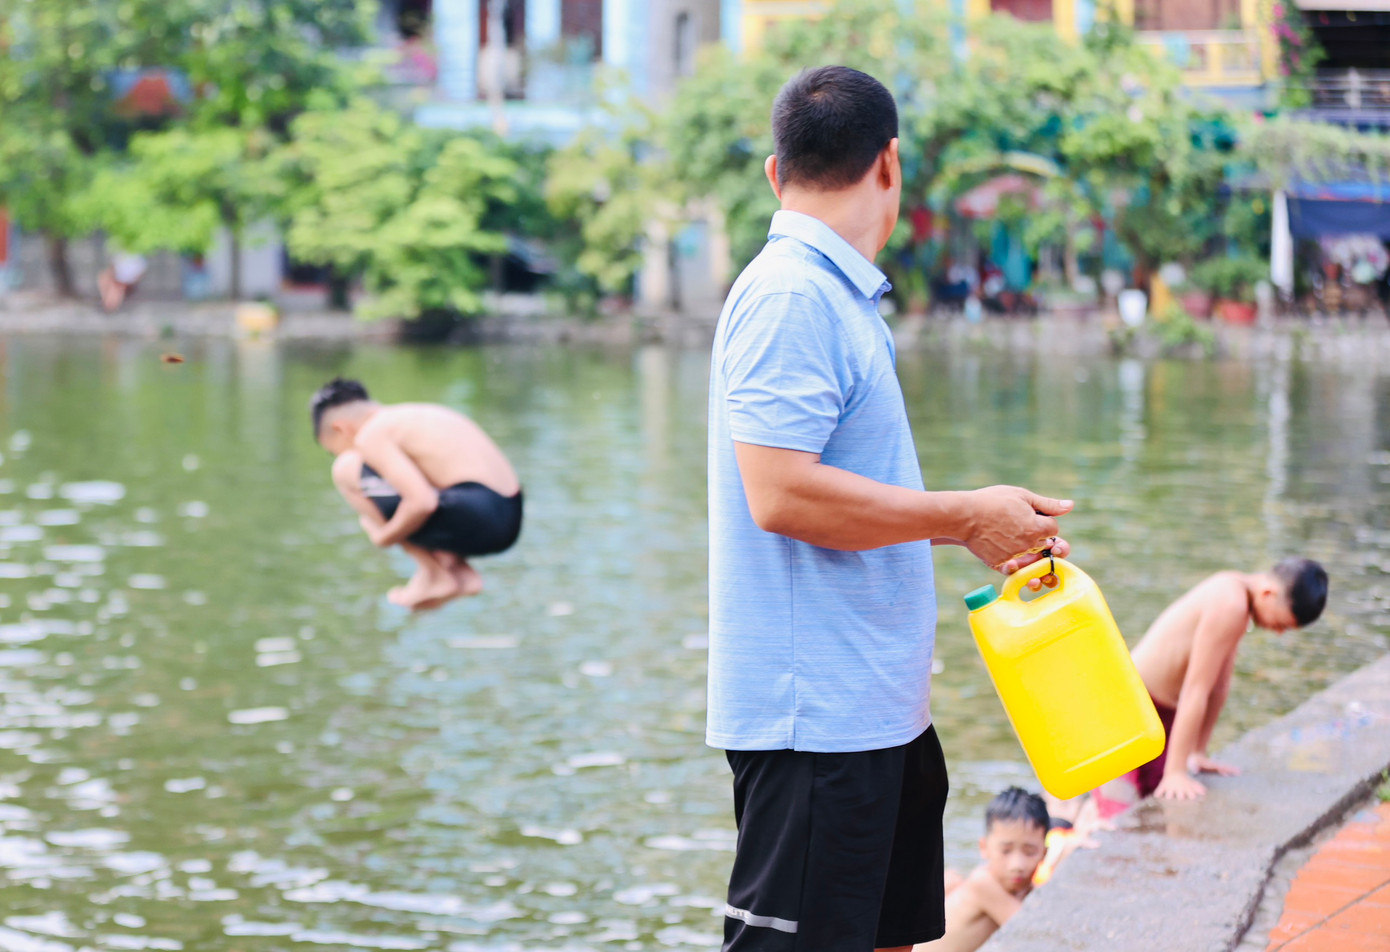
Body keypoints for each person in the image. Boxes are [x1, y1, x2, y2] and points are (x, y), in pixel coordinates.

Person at [707, 65, 1073, 952]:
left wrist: (975, 519)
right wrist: (963, 518)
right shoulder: (791, 294)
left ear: (774, 170)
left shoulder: (837, 294)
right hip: (816, 730)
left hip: (877, 714)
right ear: (890, 164)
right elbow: (780, 493)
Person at [1104, 559, 1328, 806]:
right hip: (1132, 706)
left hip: (1159, 708)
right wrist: (1176, 771)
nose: (1278, 632)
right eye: (1281, 624)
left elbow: (1219, 686)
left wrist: (1197, 752)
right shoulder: (1230, 604)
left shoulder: (1238, 595)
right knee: (1122, 804)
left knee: (1154, 797)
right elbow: (1196, 691)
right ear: (1268, 594)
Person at [309, 378, 522, 611]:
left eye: (333, 449)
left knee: (345, 469)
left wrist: (383, 538)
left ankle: (435, 574)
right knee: (408, 484)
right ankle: (458, 570)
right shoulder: (411, 416)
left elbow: (422, 503)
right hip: (508, 516)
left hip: (479, 513)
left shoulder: (371, 434)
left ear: (341, 428)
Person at [914, 788, 1049, 952]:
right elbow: (1034, 935)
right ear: (984, 847)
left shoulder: (1022, 889)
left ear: (1044, 852)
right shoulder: (983, 882)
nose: (1017, 865)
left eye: (1030, 852)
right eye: (1006, 851)